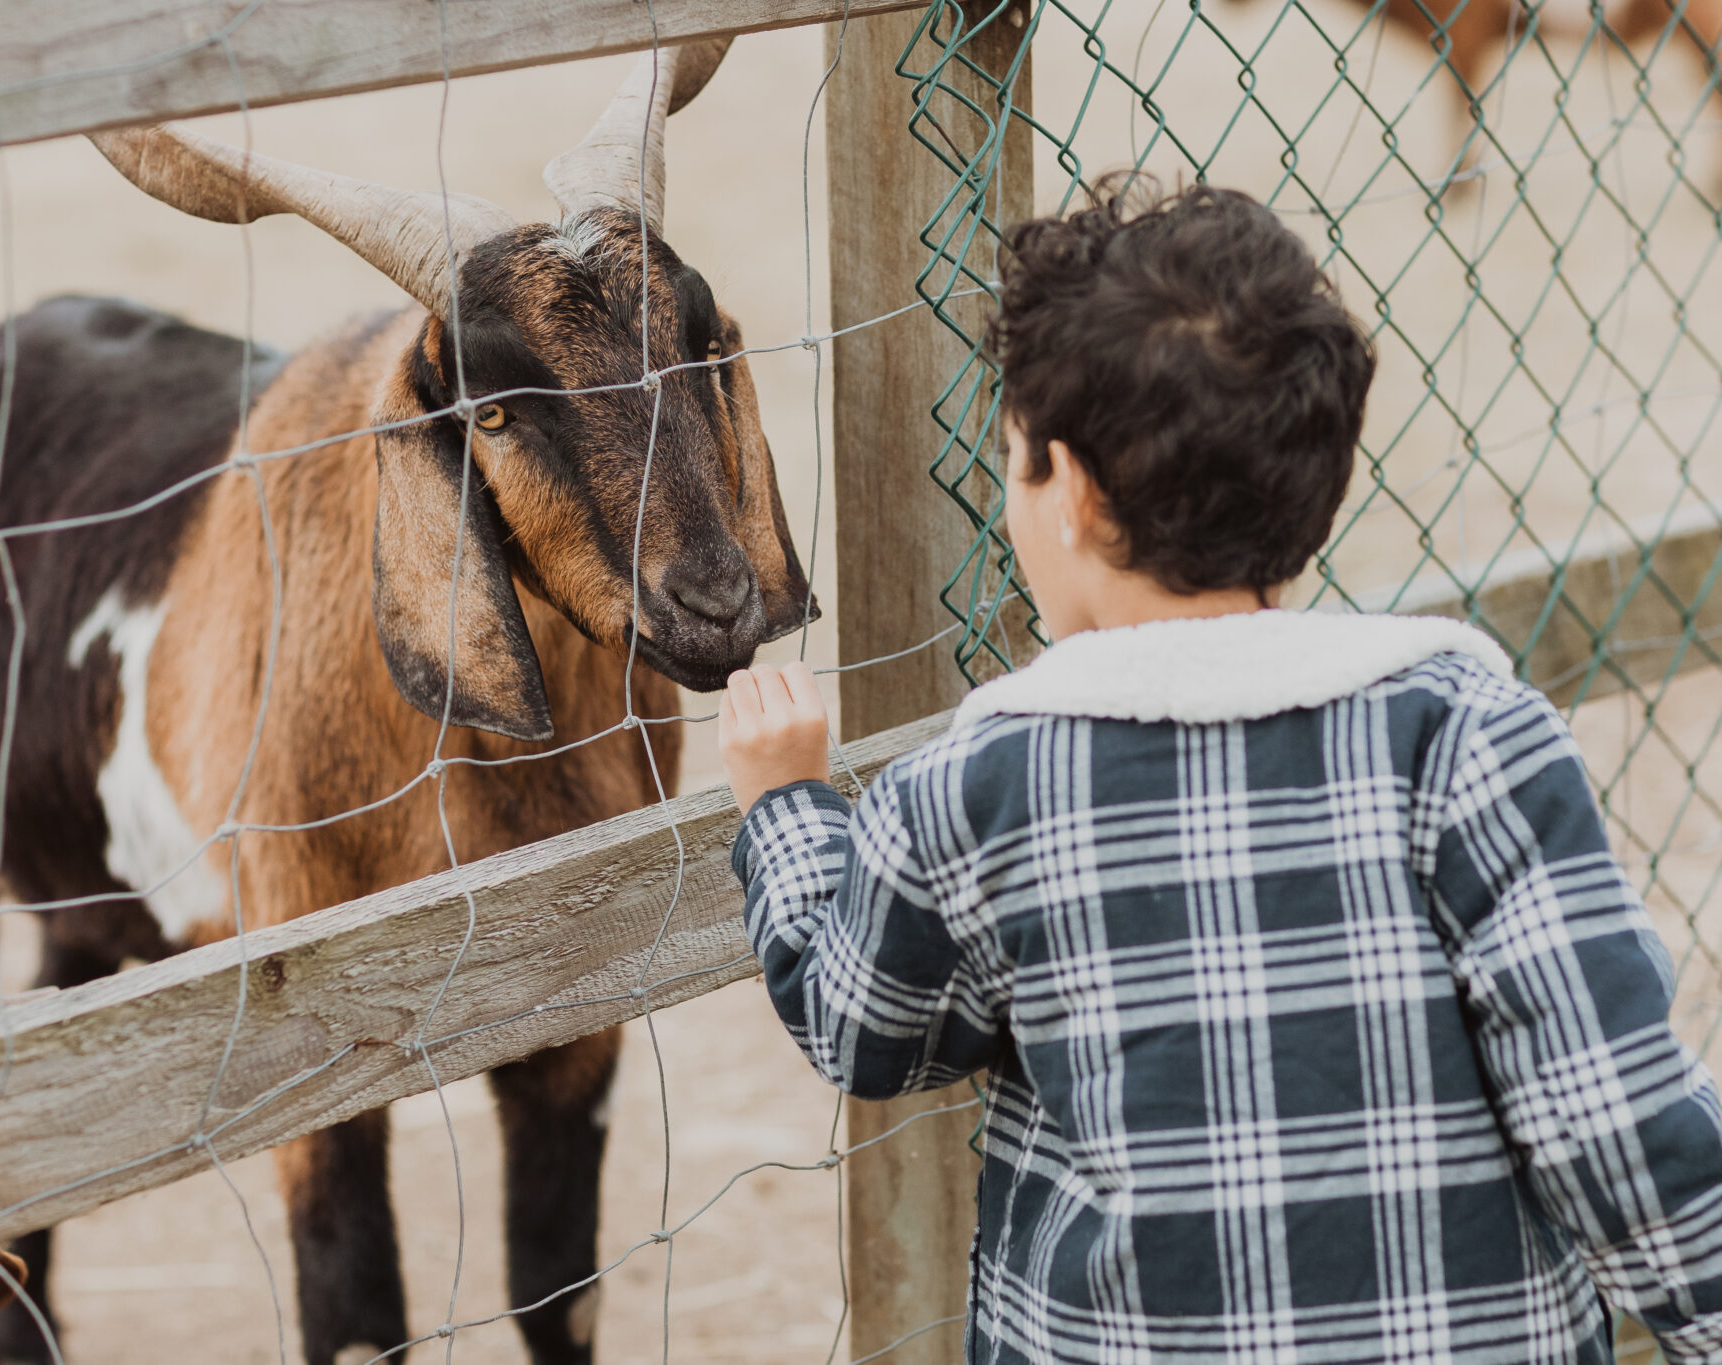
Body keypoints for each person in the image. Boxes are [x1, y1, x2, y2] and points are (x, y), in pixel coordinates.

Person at [717, 176, 1722, 1364]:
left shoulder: (978, 788)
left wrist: (786, 809)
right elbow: (1613, 1117)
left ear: (1072, 492)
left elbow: (866, 1026)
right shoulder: (1467, 735)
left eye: (1014, 461)